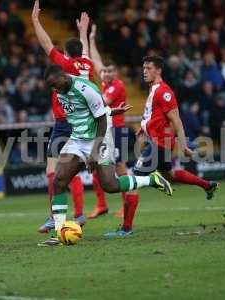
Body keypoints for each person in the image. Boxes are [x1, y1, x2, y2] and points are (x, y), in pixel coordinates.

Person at [38, 65, 173, 246]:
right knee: (59, 181)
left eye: (56, 84)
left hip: (99, 137)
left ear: (63, 76)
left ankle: (152, 180)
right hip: (77, 139)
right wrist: (109, 110)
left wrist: (94, 152)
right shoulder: (59, 90)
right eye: (51, 87)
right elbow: (84, 111)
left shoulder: (85, 88)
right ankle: (59, 232)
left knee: (110, 185)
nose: (55, 89)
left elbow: (101, 121)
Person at [104, 55, 219, 238]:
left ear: (158, 70)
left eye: (148, 68)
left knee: (132, 181)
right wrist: (143, 128)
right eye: (143, 68)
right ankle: (207, 185)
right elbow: (155, 116)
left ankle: (126, 228)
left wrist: (183, 146)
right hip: (158, 141)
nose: (144, 71)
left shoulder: (164, 92)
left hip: (159, 143)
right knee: (171, 174)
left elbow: (176, 120)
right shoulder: (154, 90)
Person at [32, 0, 92, 232]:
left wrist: (36, 21)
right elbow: (84, 50)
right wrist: (83, 32)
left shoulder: (66, 66)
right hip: (83, 123)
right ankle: (78, 214)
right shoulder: (86, 64)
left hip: (65, 123)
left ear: (67, 53)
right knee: (71, 171)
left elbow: (46, 44)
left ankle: (54, 217)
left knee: (53, 171)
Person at [87, 24, 140, 222]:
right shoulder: (104, 83)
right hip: (105, 131)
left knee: (119, 167)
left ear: (115, 73)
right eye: (104, 71)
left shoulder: (116, 86)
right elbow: (96, 60)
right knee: (96, 164)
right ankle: (101, 204)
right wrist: (91, 38)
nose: (106, 73)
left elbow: (104, 103)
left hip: (117, 131)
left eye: (110, 71)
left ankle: (129, 202)